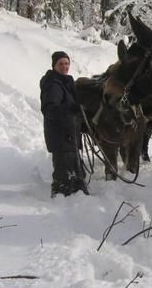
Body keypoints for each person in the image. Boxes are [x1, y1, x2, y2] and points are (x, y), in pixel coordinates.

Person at [40, 51, 89, 197]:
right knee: (63, 173)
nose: (64, 66)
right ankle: (62, 200)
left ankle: (74, 197)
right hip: (61, 137)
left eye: (67, 63)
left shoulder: (65, 82)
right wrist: (71, 109)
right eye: (60, 63)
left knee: (74, 171)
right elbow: (50, 110)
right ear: (54, 65)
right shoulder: (53, 85)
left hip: (69, 135)